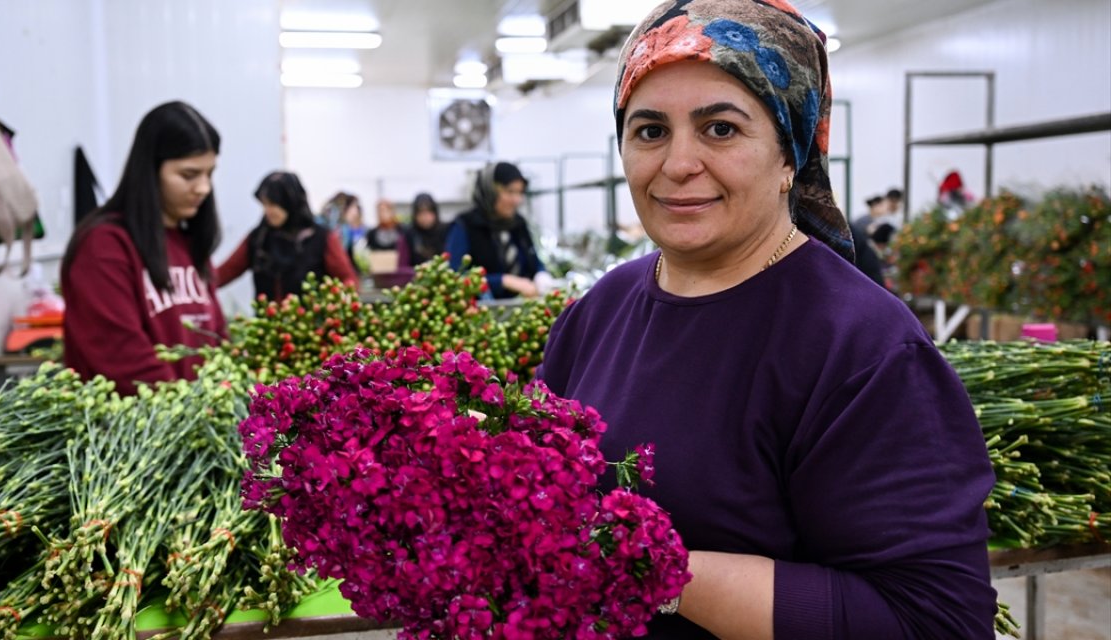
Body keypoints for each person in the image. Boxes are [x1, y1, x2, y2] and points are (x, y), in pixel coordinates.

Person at [536, 2, 997, 638]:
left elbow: (934, 619)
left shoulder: (862, 346)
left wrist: (657, 568)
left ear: (790, 154)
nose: (676, 164)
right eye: (649, 131)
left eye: (720, 129)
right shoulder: (600, 310)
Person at [61, 101, 229, 395]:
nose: (203, 188)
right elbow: (121, 356)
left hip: (196, 426)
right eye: (189, 175)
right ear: (151, 170)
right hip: (137, 433)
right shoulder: (104, 246)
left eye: (209, 174)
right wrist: (192, 414)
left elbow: (217, 340)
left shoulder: (190, 244)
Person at [216, 171, 358, 301]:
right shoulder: (259, 238)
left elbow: (347, 279)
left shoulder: (321, 238)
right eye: (264, 204)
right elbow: (226, 272)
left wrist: (336, 303)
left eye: (273, 204)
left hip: (309, 325)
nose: (268, 211)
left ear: (290, 203)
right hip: (267, 326)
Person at [445, 161, 549, 299]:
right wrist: (502, 281)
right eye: (510, 192)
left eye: (520, 192)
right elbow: (455, 276)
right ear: (490, 191)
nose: (516, 200)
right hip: (480, 313)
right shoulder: (465, 225)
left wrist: (541, 274)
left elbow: (533, 260)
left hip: (521, 308)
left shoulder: (518, 224)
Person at [365, 198, 411, 271]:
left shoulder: (403, 230)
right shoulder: (372, 233)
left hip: (400, 269)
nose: (383, 214)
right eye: (380, 211)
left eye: (385, 210)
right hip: (380, 270)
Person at [405, 192, 448, 267]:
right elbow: (404, 266)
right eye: (421, 213)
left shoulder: (446, 231)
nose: (425, 217)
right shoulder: (409, 234)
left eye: (428, 212)